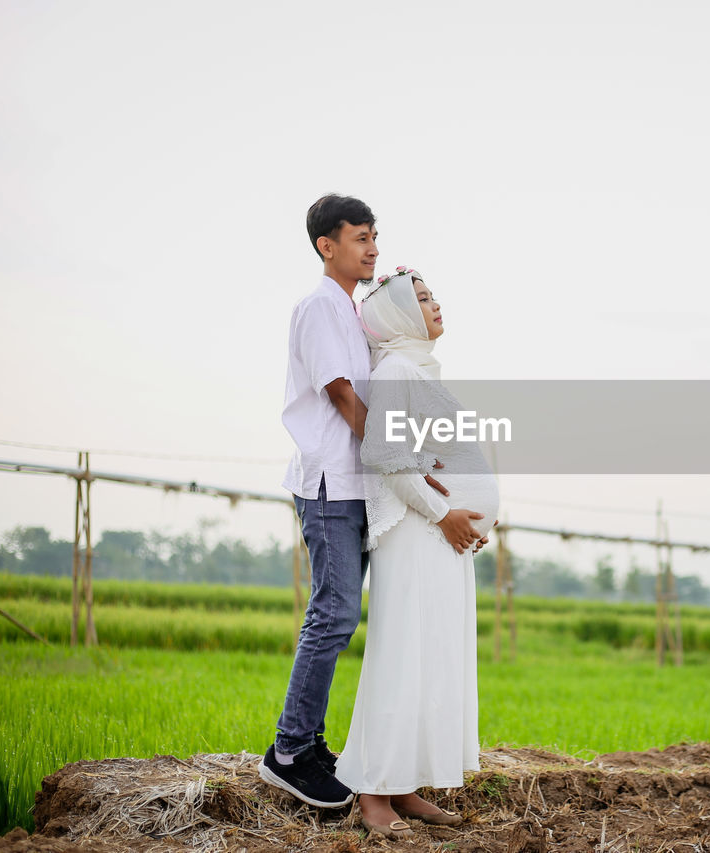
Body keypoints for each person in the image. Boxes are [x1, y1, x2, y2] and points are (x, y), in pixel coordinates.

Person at [334, 267, 498, 839]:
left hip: (440, 536)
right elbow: (389, 457)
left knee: (432, 655)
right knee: (404, 654)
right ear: (399, 314)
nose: (435, 305)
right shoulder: (399, 370)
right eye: (422, 299)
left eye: (433, 296)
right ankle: (374, 792)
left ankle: (403, 784)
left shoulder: (415, 370)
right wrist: (445, 514)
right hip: (416, 531)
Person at [257, 193, 380, 808]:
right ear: (326, 246)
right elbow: (338, 394)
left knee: (340, 616)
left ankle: (311, 741)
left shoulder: (354, 314)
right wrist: (394, 453)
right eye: (360, 237)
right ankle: (289, 751)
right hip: (331, 479)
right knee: (331, 614)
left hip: (355, 483)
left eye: (374, 236)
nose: (373, 247)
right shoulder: (319, 308)